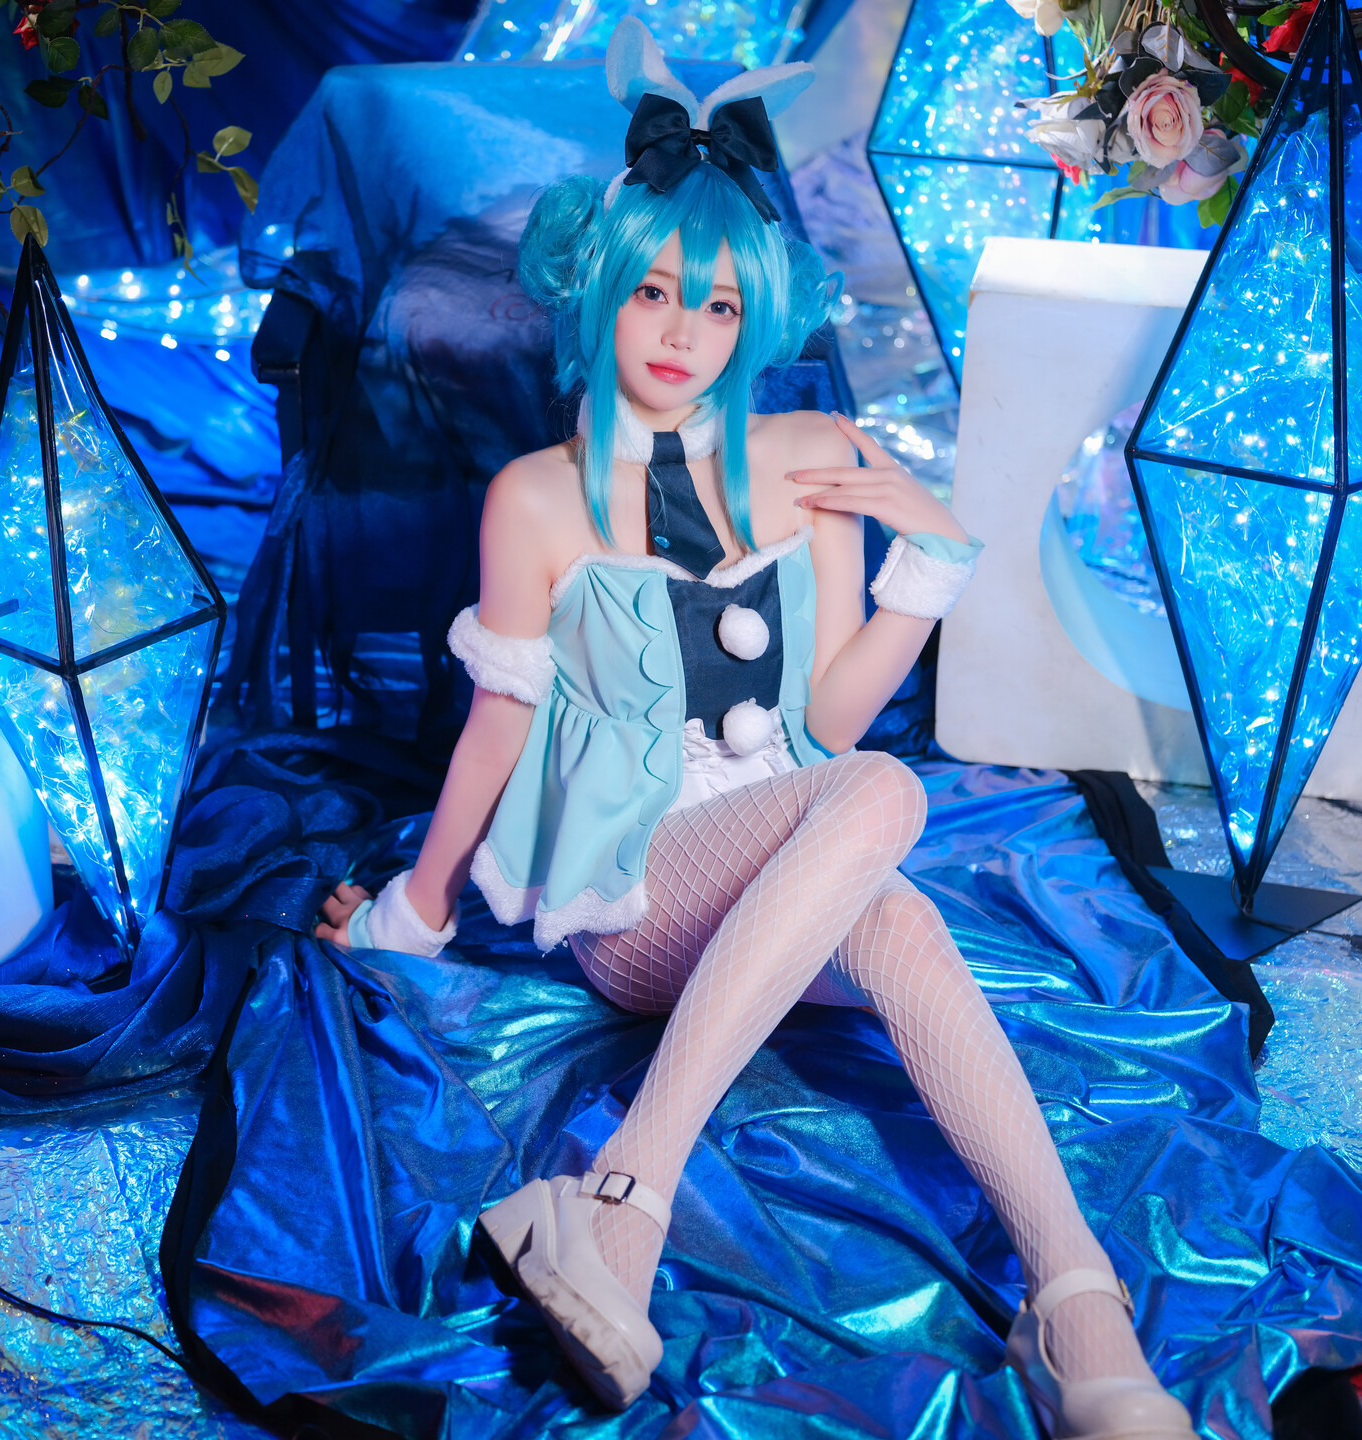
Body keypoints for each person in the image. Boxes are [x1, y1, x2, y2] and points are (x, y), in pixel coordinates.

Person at [318, 20, 1198, 1437]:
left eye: (718, 306)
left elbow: (830, 720)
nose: (683, 334)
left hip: (791, 859)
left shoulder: (812, 461)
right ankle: (630, 1194)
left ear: (754, 320)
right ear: (599, 294)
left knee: (895, 904)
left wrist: (929, 570)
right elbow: (496, 728)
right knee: (882, 802)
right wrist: (411, 912)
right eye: (655, 293)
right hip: (638, 895)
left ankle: (1074, 1304)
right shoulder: (534, 498)